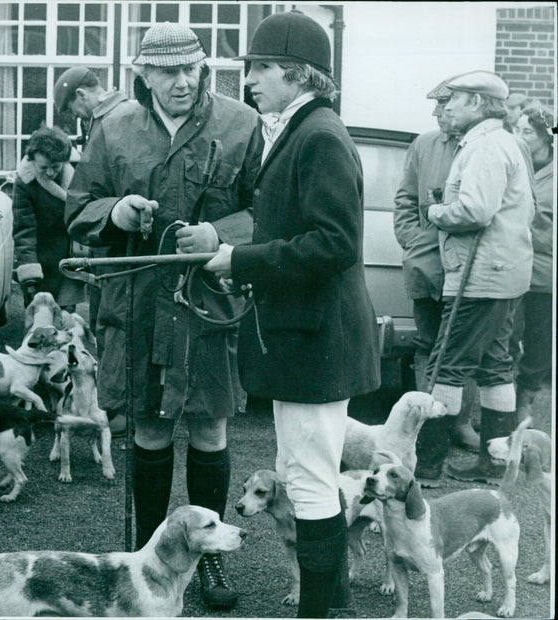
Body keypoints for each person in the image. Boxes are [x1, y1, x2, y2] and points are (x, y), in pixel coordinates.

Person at [65, 22, 261, 610]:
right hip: (140, 307)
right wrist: (115, 212)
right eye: (167, 72)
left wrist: (218, 233)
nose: (182, 82)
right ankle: (146, 563)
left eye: (191, 69)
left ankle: (211, 563)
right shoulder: (113, 127)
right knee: (149, 428)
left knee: (208, 427)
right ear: (142, 74)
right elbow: (78, 210)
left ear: (205, 69)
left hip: (209, 306)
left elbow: (268, 211)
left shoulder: (242, 124)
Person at [205, 10, 380, 617]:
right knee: (305, 475)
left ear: (297, 74)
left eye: (260, 68)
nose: (249, 79)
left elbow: (334, 245)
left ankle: (326, 612)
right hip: (304, 338)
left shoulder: (320, 135)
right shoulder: (302, 128)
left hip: (315, 340)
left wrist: (240, 260)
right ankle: (330, 611)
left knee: (308, 481)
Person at [419, 71, 533, 484]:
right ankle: (494, 462)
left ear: (478, 103)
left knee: (446, 364)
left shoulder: (485, 146)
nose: (447, 107)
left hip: (480, 276)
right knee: (494, 366)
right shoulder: (502, 141)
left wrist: (434, 212)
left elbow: (475, 211)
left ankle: (426, 467)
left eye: (455, 100)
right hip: (501, 274)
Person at [393, 78, 481, 486]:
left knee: (464, 351)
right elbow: (405, 200)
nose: (437, 114)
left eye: (444, 105)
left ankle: (461, 425)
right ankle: (424, 430)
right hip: (428, 267)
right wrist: (414, 240)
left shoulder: (482, 146)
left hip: (470, 271)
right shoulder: (424, 144)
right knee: (428, 345)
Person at [52, 67, 131, 437]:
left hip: (114, 240)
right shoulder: (114, 116)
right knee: (106, 322)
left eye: (73, 108)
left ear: (83, 96)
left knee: (113, 323)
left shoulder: (112, 119)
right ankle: (112, 405)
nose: (75, 117)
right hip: (108, 235)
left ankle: (117, 409)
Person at [511, 103, 553, 423]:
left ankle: (524, 404)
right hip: (510, 269)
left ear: (546, 137)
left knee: (539, 345)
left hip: (543, 275)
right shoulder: (512, 161)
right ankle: (499, 406)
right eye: (517, 129)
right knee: (505, 339)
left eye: (526, 131)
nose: (519, 136)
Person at [13, 125, 85, 310]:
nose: (50, 173)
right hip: (43, 263)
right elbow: (24, 232)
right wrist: (29, 278)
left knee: (67, 322)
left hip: (71, 258)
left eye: (55, 167)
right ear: (32, 159)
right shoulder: (25, 183)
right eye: (43, 167)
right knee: (42, 322)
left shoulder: (79, 172)